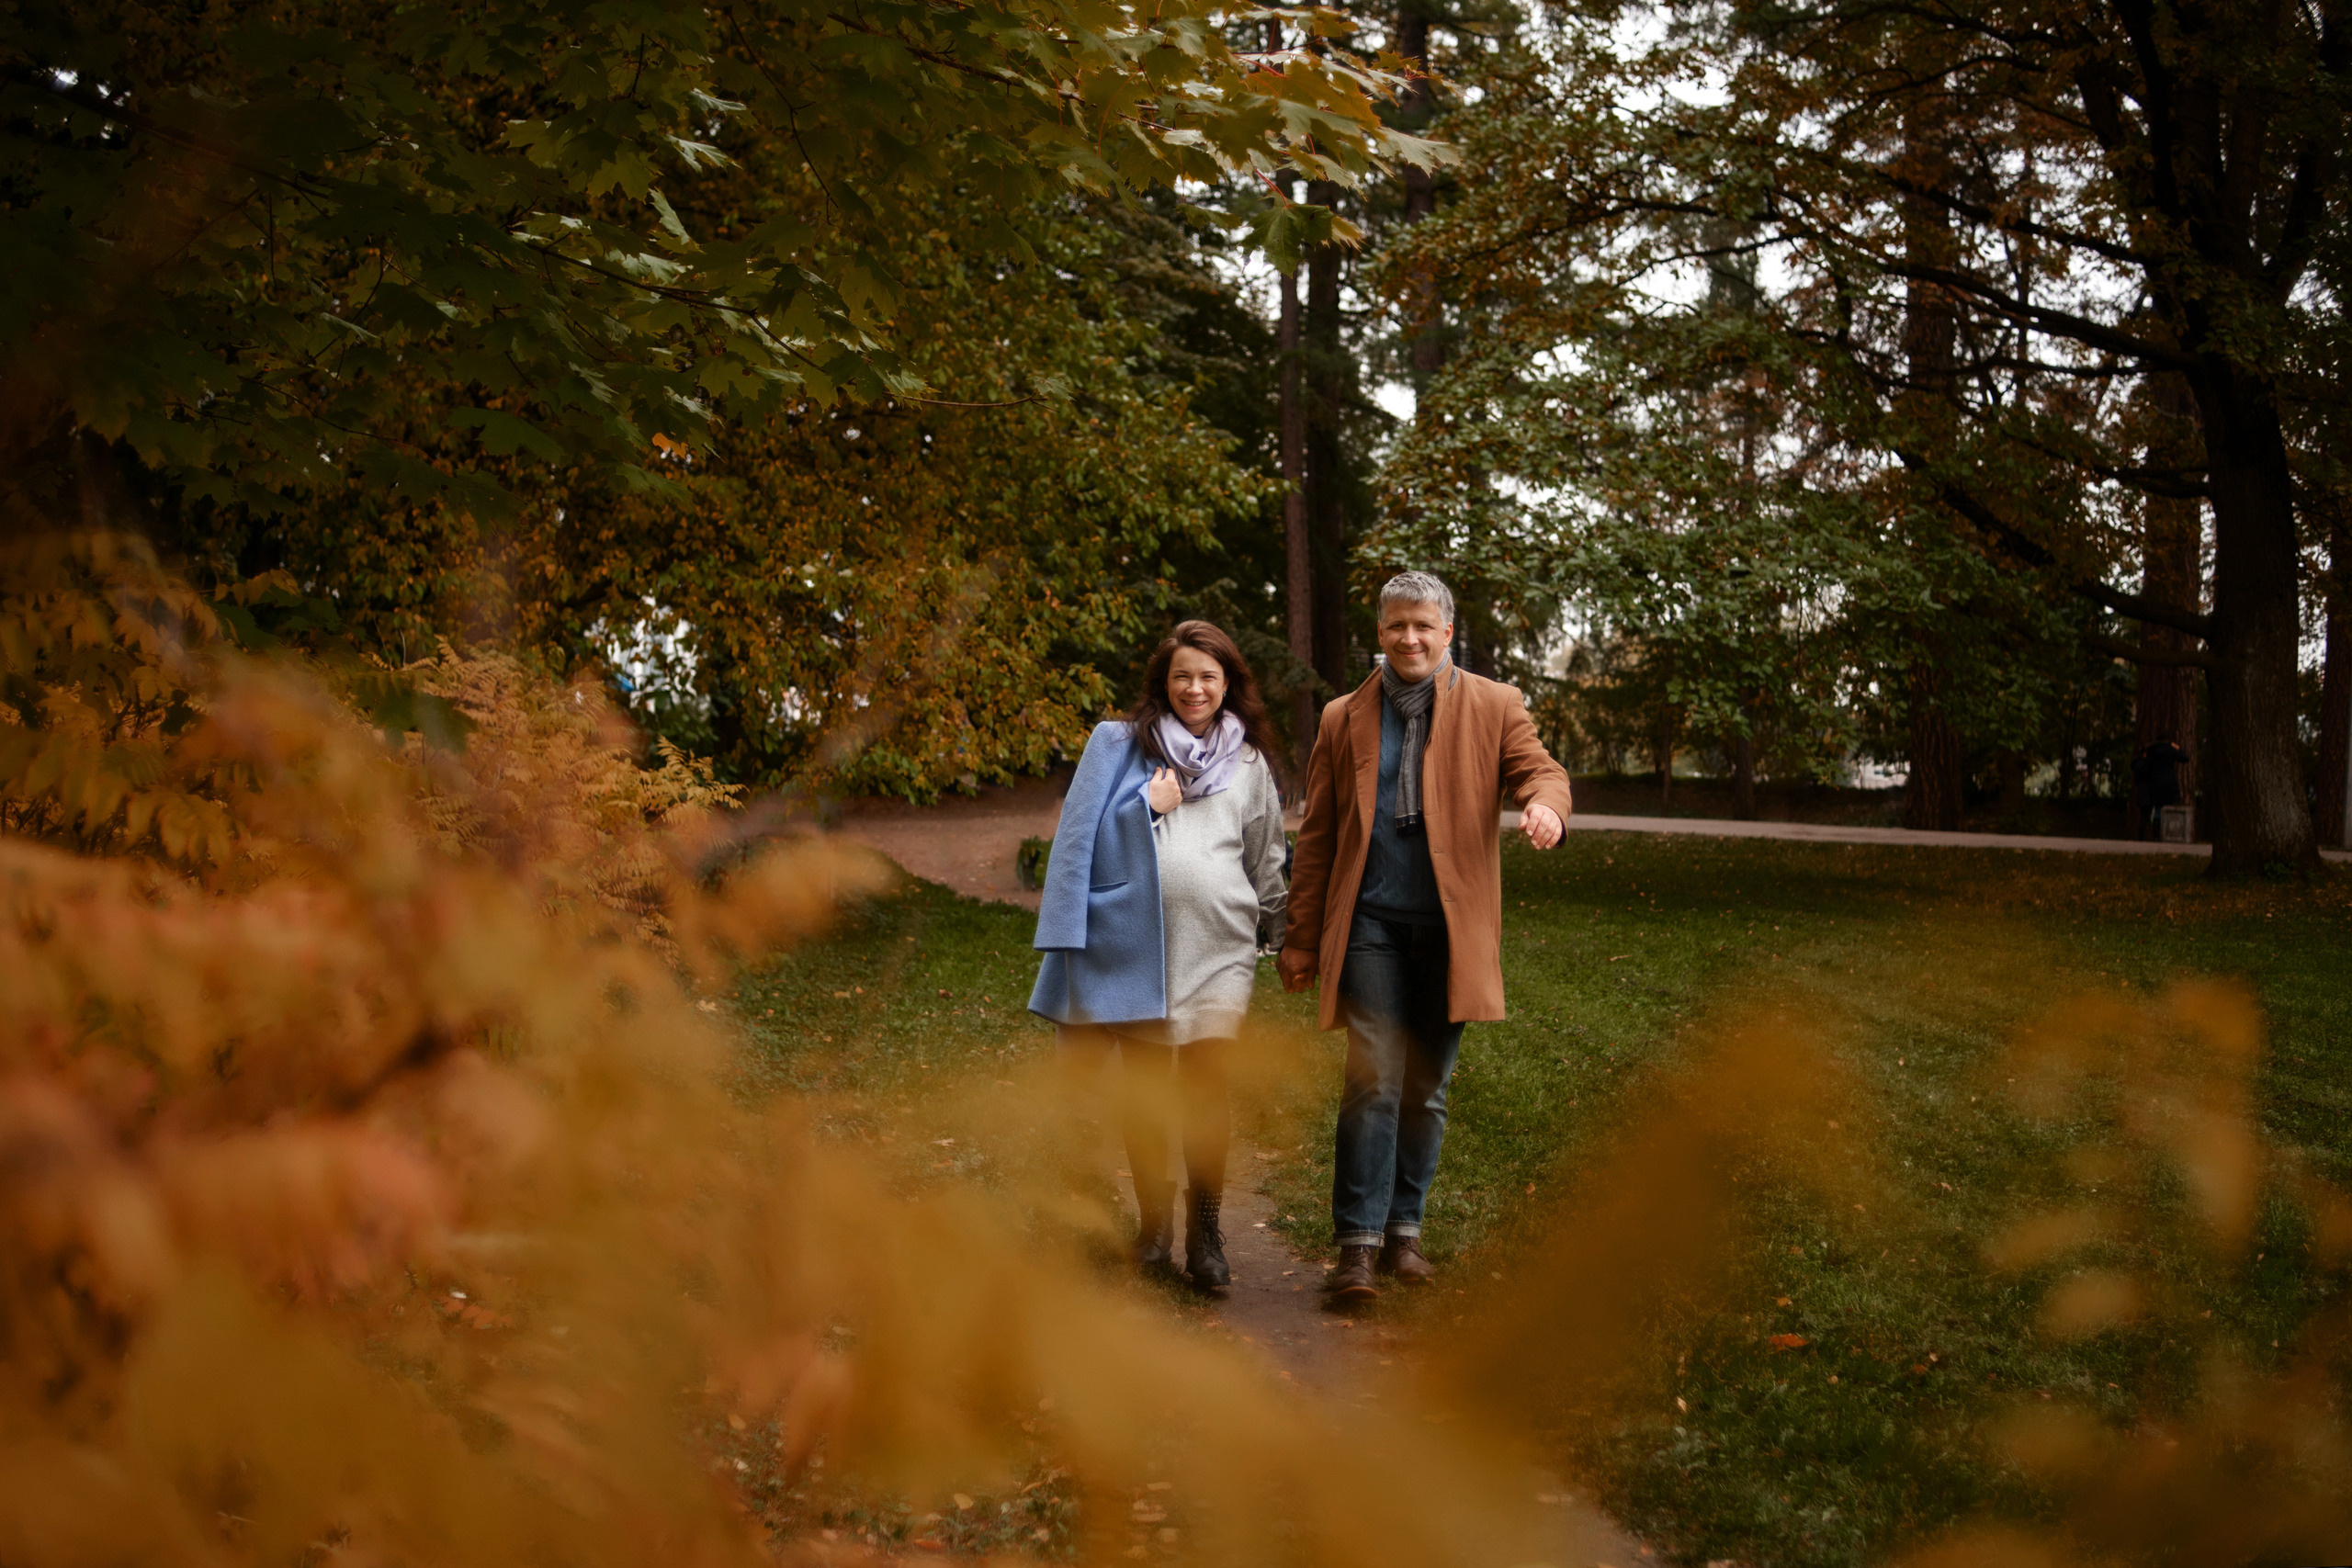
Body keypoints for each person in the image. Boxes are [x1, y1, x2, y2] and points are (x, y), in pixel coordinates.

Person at [1278, 571, 1573, 1303]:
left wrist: (1546, 808)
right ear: (1379, 635)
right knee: (1372, 1075)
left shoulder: (1494, 705)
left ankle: (1404, 1232)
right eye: (1396, 626)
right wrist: (1301, 936)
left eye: (1423, 627)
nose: (1410, 638)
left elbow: (1541, 770)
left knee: (1425, 1087)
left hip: (1450, 926)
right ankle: (1355, 1247)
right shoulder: (1343, 716)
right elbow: (1315, 837)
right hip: (1371, 922)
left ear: (1447, 634)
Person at [1029, 620, 1289, 1293]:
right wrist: (1144, 804)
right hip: (1136, 947)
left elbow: (1266, 854)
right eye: (1182, 676)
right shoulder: (1123, 747)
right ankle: (1153, 1229)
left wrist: (1283, 929)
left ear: (1228, 683)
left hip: (1223, 949)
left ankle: (1205, 1233)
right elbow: (1079, 841)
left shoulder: (1251, 763)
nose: (1194, 687)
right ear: (1163, 684)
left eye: (1208, 675)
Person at [2132, 734, 2191, 840]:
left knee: (2158, 809)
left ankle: (2157, 833)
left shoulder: (2152, 751)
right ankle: (2169, 833)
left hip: (2156, 783)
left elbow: (2147, 767)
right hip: (2169, 783)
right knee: (2167, 808)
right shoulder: (2170, 750)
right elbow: (2185, 758)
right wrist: (2176, 746)